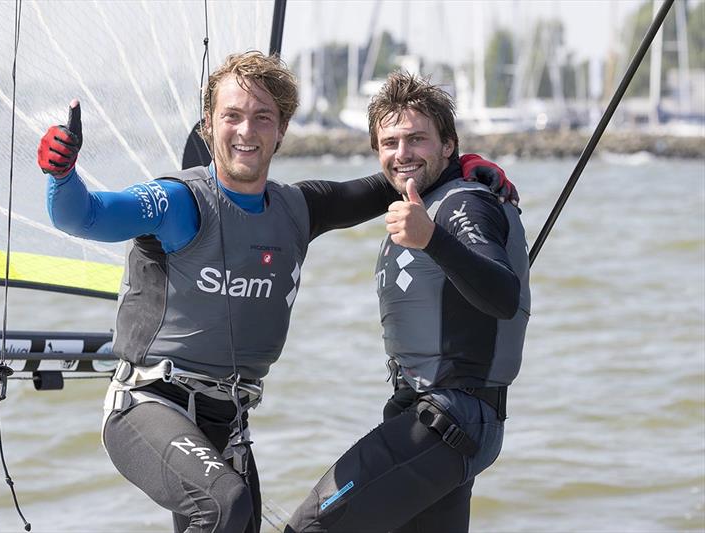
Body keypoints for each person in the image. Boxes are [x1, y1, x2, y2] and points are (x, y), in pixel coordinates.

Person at [37, 52, 516, 533]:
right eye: (232, 116)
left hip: (228, 422)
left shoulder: (297, 209)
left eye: (262, 117)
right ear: (209, 125)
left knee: (235, 511)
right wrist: (62, 175)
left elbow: (398, 177)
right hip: (149, 405)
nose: (247, 130)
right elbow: (85, 215)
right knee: (226, 506)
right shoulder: (177, 202)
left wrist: (464, 166)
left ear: (281, 129)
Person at [285, 72, 530, 533]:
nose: (402, 153)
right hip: (440, 422)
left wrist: (431, 239)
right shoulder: (427, 193)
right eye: (390, 142)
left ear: (448, 145)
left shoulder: (463, 206)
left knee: (310, 527)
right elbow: (333, 198)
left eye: (417, 139)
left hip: (449, 422)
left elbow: (503, 295)